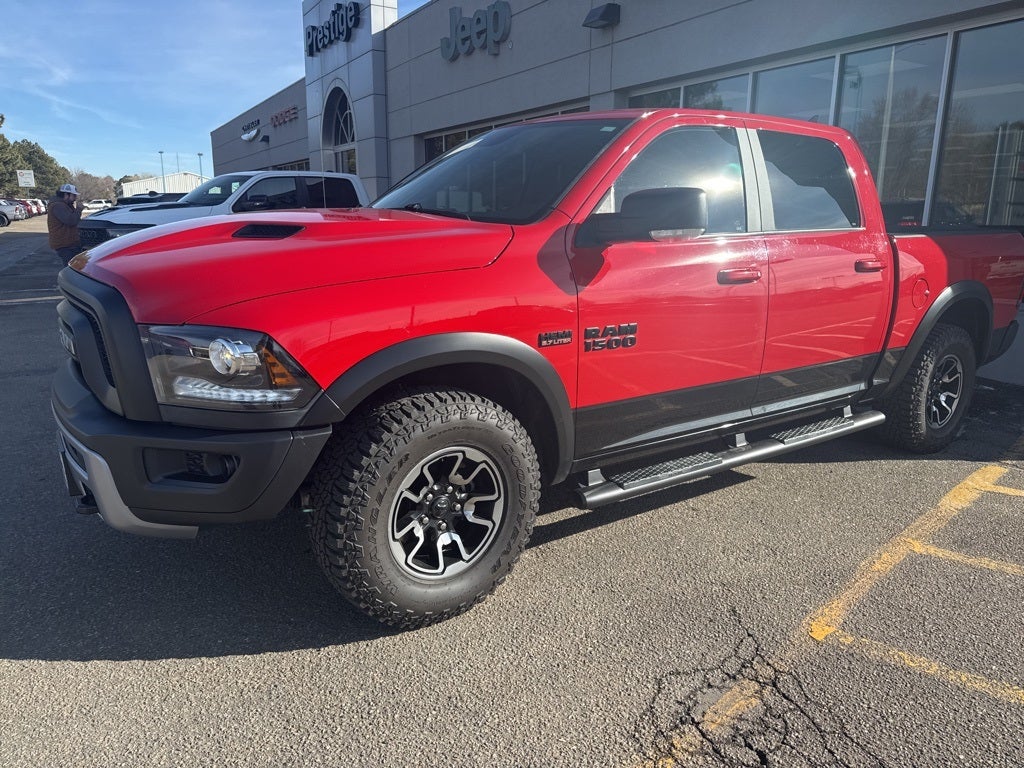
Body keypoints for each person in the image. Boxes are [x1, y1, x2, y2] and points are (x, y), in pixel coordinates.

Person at [47, 183, 83, 263]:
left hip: (68, 243)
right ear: (66, 195)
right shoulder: (58, 206)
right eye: (73, 196)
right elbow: (71, 220)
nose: (75, 198)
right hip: (64, 245)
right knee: (72, 266)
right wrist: (79, 209)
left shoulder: (65, 205)